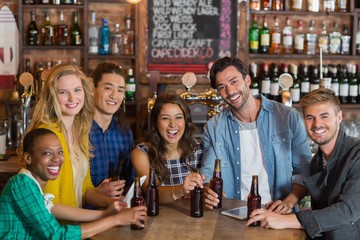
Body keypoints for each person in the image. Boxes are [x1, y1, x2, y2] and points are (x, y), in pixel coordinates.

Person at [202, 57, 312, 213]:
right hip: (232, 214)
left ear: (247, 79)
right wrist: (207, 190)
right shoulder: (214, 127)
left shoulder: (288, 117)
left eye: (234, 82)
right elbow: (207, 173)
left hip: (277, 214)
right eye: (222, 87)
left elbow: (305, 170)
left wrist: (288, 202)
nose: (230, 91)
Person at [247, 88, 360, 239]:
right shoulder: (316, 162)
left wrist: (287, 220)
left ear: (339, 117)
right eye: (310, 117)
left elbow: (348, 211)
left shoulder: (356, 154)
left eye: (324, 116)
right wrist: (285, 207)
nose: (317, 124)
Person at [0, 128, 147, 239]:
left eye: (60, 152)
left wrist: (106, 214)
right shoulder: (21, 184)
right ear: (27, 158)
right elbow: (56, 235)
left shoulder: (34, 188)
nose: (57, 159)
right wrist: (115, 219)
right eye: (47, 153)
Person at [22, 64, 111, 208]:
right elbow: (50, 205)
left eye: (77, 90)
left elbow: (86, 188)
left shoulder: (79, 129)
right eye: (63, 92)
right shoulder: (48, 136)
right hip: (55, 228)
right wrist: (104, 215)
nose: (72, 98)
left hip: (75, 224)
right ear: (52, 96)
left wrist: (114, 204)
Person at [131, 92, 204, 204]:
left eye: (178, 117)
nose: (172, 124)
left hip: (191, 217)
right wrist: (181, 189)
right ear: (156, 122)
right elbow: (153, 194)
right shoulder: (141, 153)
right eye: (165, 118)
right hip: (156, 219)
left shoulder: (199, 148)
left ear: (186, 121)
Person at [89, 62, 134, 198]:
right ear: (92, 89)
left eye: (120, 90)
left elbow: (129, 181)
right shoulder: (77, 130)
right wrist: (95, 193)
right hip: (80, 212)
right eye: (108, 88)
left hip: (115, 212)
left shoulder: (124, 133)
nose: (114, 96)